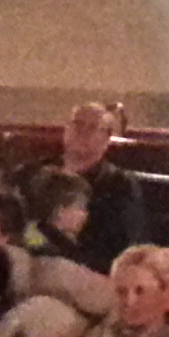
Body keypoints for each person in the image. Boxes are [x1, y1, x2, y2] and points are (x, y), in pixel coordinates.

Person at [51, 103, 144, 262]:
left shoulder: (120, 185)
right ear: (66, 129)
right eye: (78, 124)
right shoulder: (35, 173)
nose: (82, 132)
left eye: (92, 128)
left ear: (107, 139)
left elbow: (125, 245)